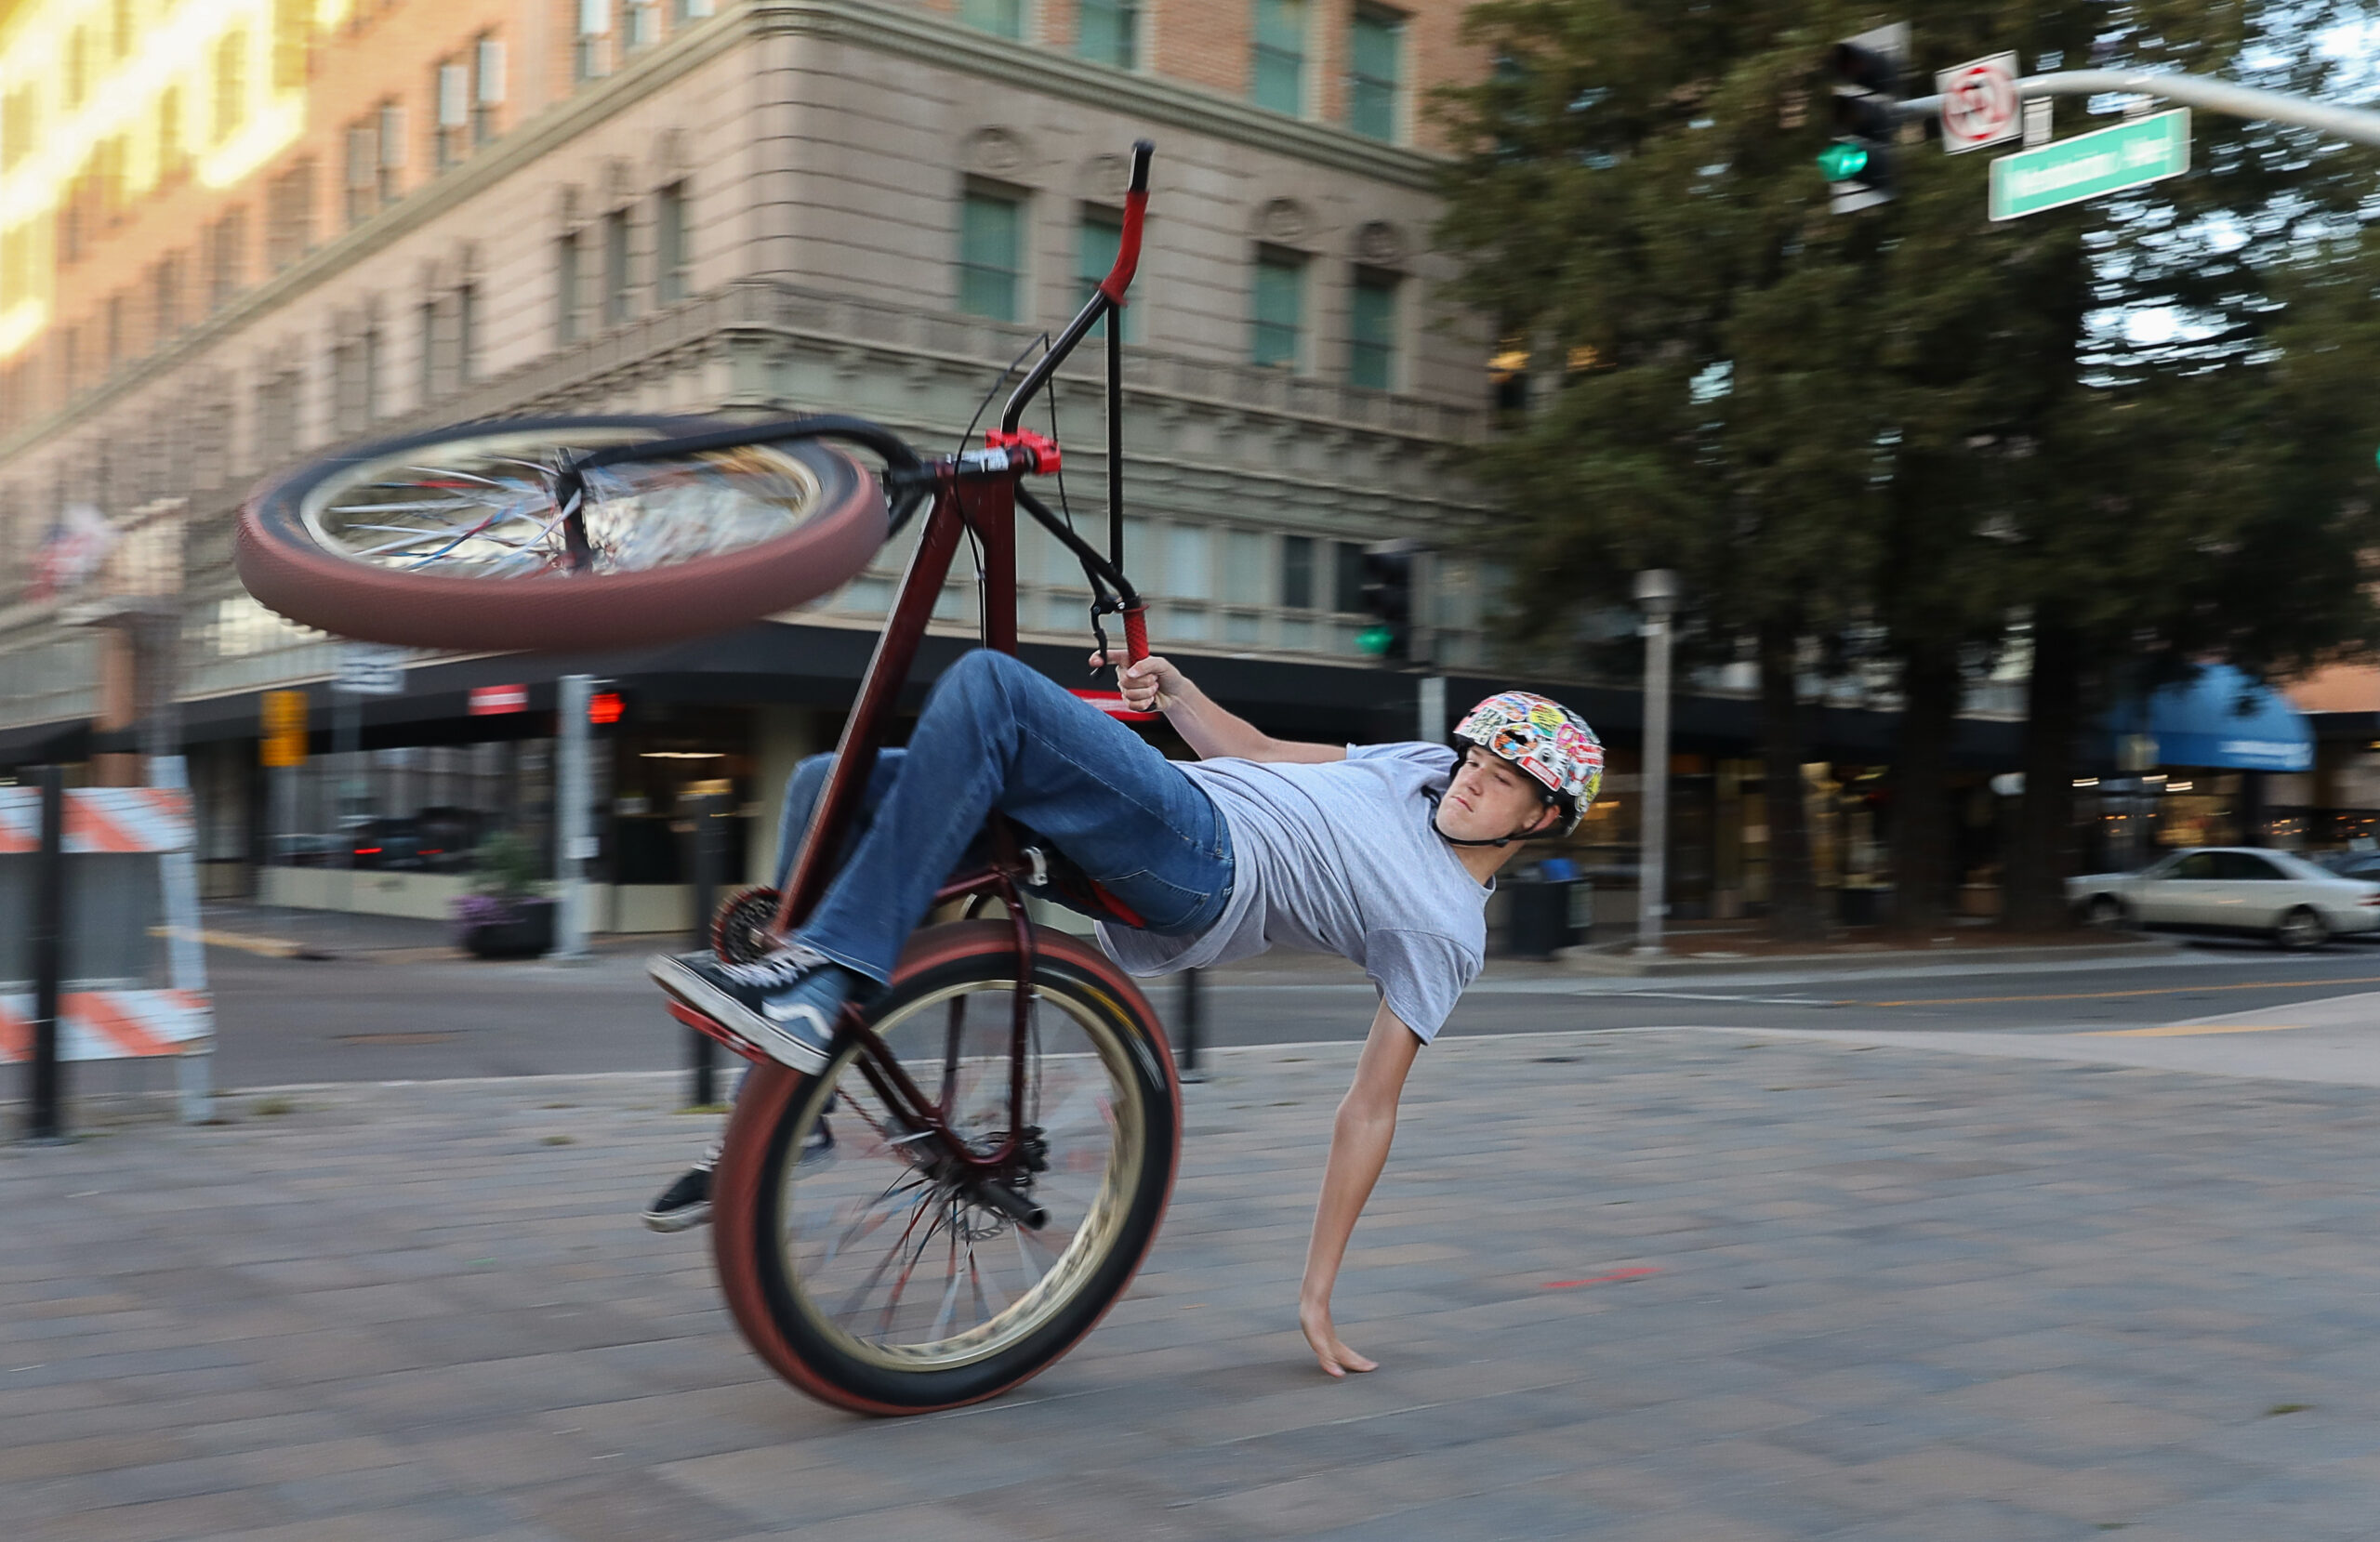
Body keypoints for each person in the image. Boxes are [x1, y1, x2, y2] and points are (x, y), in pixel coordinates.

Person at [644, 647, 1602, 1377]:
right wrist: (1181, 696)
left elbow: (1371, 1107)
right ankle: (782, 1090)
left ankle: (823, 977)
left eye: (1504, 781)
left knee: (992, 685)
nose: (1473, 778)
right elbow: (1266, 755)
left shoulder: (1444, 929)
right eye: (1481, 758)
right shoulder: (1421, 766)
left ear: (1539, 821)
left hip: (1204, 865)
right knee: (826, 784)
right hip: (1174, 801)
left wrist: (1317, 1294)